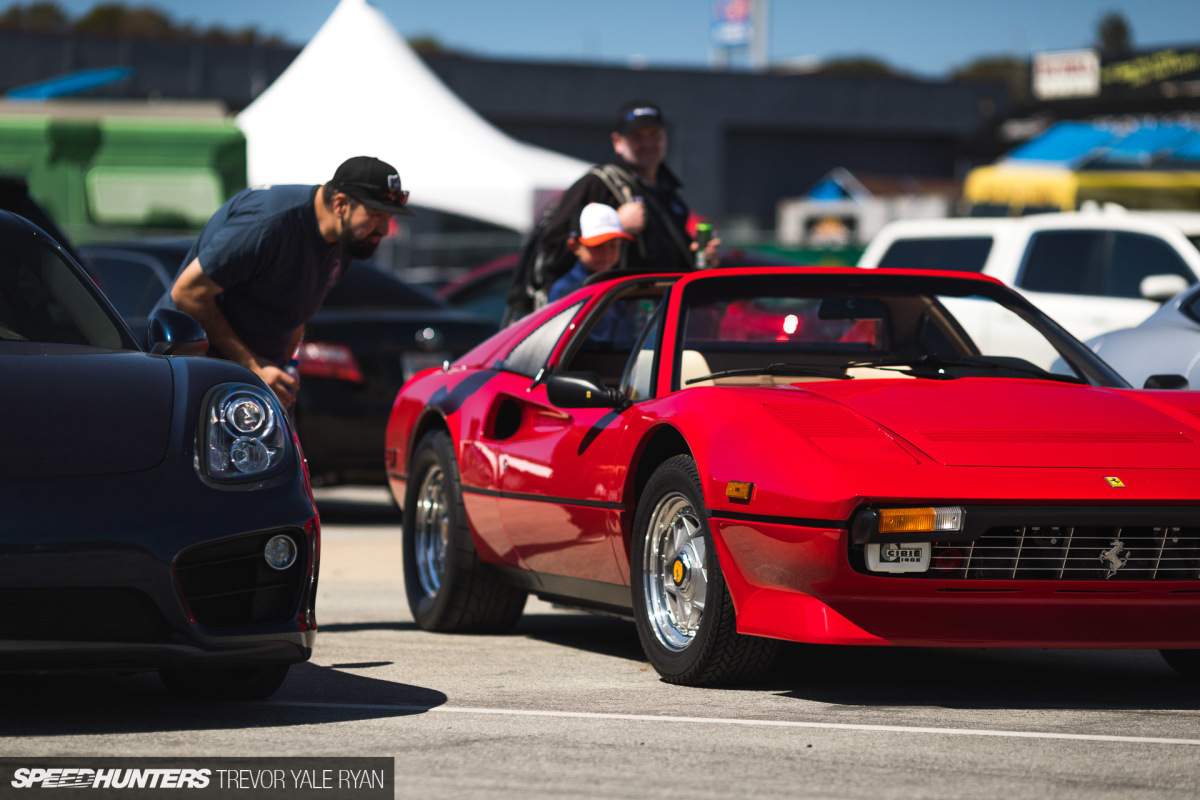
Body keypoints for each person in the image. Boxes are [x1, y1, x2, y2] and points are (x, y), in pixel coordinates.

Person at [158, 156, 414, 408]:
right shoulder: (268, 224)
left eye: (389, 217)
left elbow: (296, 310)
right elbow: (188, 292)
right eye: (375, 213)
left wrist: (280, 368)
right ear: (340, 205)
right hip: (193, 375)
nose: (383, 228)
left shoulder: (347, 239)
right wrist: (254, 366)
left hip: (256, 381)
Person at [534, 100, 720, 294]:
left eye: (654, 135)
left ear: (665, 138)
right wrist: (616, 225)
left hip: (662, 313)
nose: (648, 144)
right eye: (637, 137)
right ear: (617, 142)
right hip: (609, 313)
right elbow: (551, 251)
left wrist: (700, 258)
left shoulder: (670, 194)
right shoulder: (598, 184)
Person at [547, 203, 634, 302]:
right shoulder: (564, 290)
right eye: (597, 246)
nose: (607, 253)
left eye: (613, 245)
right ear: (574, 246)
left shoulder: (622, 285)